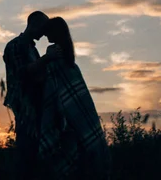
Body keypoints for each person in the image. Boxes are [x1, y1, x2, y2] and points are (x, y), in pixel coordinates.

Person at [39, 16, 110, 179]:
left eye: (48, 32)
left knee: (71, 161)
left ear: (54, 32)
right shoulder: (68, 58)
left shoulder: (54, 54)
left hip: (66, 120)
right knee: (82, 159)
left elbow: (54, 91)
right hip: (71, 120)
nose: (45, 36)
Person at [3, 11, 62, 179]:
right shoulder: (15, 46)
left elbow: (37, 75)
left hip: (35, 105)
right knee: (26, 153)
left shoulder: (31, 49)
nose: (44, 33)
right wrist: (47, 59)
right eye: (43, 28)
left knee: (35, 153)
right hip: (24, 106)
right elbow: (22, 73)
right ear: (34, 24)